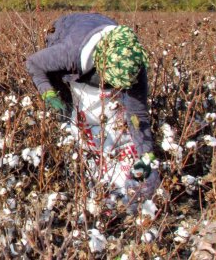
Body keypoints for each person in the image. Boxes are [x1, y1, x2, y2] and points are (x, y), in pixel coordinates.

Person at [25, 13, 158, 206]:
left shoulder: (132, 63)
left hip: (98, 30)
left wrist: (146, 154)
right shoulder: (70, 53)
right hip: (68, 32)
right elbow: (34, 64)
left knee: (119, 122)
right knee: (69, 115)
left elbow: (137, 114)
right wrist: (49, 94)